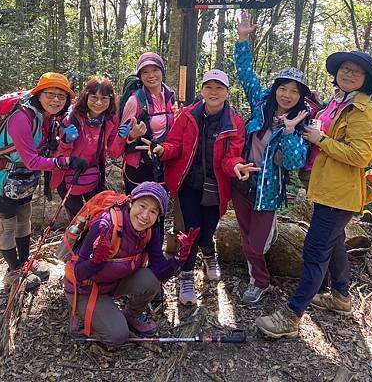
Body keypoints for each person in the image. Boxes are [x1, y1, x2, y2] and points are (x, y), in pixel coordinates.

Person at [256, 50, 372, 338]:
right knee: (335, 241)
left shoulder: (364, 112)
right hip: (327, 189)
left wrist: (321, 139)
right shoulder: (338, 104)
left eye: (356, 72)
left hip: (341, 195)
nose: (348, 74)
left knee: (314, 252)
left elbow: (361, 156)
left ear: (365, 80)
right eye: (345, 69)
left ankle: (292, 315)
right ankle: (341, 297)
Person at [140, 69, 255, 306]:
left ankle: (209, 253)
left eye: (219, 88)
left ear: (227, 92)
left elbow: (230, 156)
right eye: (209, 87)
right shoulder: (188, 115)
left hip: (216, 186)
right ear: (202, 90)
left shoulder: (235, 123)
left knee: (207, 229)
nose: (213, 92)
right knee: (191, 230)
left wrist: (237, 166)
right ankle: (186, 275)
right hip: (188, 183)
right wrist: (163, 150)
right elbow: (175, 144)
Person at [0, 72, 87, 290]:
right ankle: (13, 272)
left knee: (24, 218)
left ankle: (25, 263)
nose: (56, 100)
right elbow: (32, 160)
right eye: (51, 94)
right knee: (7, 225)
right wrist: (66, 162)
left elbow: (44, 150)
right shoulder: (21, 118)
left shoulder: (47, 118)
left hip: (21, 180)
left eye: (61, 96)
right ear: (39, 94)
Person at [233, 13, 311, 304]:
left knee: (256, 243)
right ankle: (257, 279)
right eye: (283, 88)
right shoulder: (261, 105)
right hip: (242, 181)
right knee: (244, 236)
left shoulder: (302, 125)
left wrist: (290, 132)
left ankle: (261, 276)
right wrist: (243, 39)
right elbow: (246, 75)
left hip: (268, 191)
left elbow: (294, 163)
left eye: (294, 91)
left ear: (300, 96)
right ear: (276, 89)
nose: (287, 94)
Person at [63, 181, 198, 345]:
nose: (145, 215)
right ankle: (80, 314)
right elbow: (78, 274)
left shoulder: (150, 231)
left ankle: (131, 314)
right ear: (130, 202)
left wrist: (179, 259)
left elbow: (159, 272)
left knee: (151, 281)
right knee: (117, 337)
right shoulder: (104, 226)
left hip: (113, 281)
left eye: (153, 211)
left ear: (158, 217)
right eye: (142, 206)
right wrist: (95, 260)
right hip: (85, 287)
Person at [50, 75, 140, 219]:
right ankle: (76, 241)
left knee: (97, 215)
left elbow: (114, 153)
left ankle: (93, 240)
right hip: (68, 177)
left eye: (104, 98)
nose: (99, 103)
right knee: (77, 220)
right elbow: (58, 157)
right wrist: (66, 141)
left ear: (111, 100)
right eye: (94, 97)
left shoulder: (110, 120)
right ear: (86, 97)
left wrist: (121, 138)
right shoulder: (71, 118)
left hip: (92, 175)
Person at [120, 52, 175, 193]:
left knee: (159, 208)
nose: (151, 75)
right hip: (139, 166)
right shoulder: (134, 101)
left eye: (155, 70)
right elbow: (121, 136)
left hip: (163, 162)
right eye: (145, 72)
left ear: (162, 71)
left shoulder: (170, 96)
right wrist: (132, 135)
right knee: (137, 209)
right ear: (140, 75)